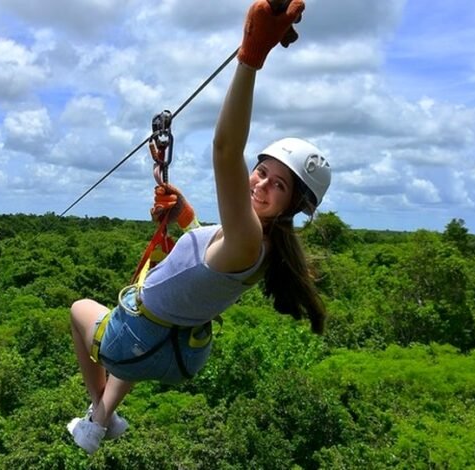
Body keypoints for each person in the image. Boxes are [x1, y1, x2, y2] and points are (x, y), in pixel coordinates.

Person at [66, 0, 331, 455]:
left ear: (292, 204)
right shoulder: (259, 245)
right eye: (262, 170)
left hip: (142, 341)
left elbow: (226, 149)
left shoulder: (248, 237)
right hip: (182, 352)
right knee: (138, 340)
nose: (262, 183)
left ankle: (96, 415)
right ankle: (108, 416)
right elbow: (207, 252)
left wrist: (250, 59)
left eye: (278, 184)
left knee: (79, 310)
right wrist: (184, 215)